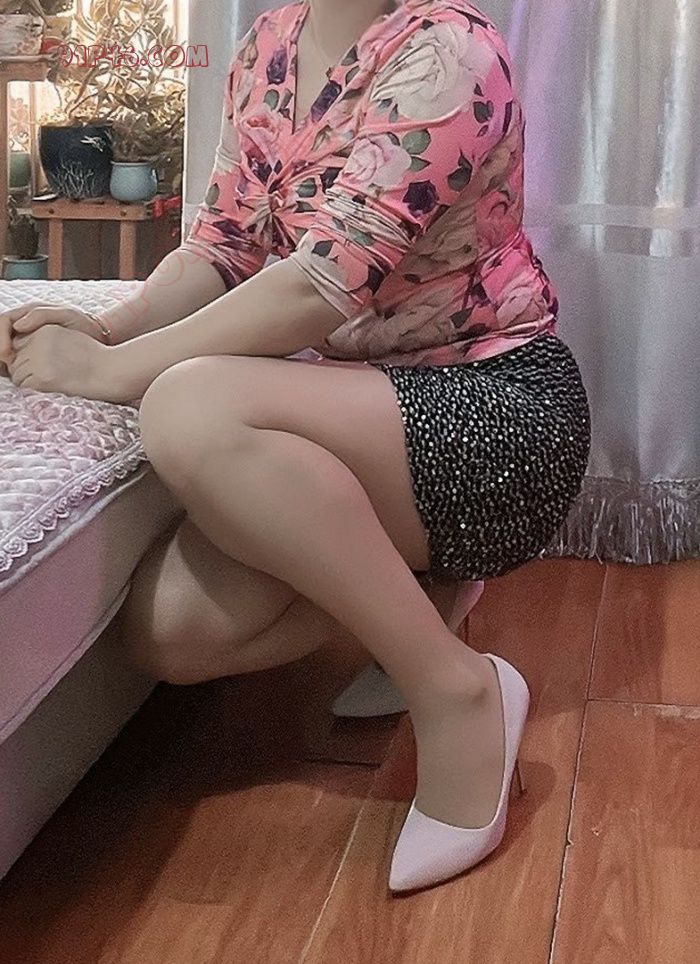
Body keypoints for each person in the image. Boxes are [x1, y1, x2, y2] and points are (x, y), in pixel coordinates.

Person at [0, 0, 591, 893]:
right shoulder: (268, 45)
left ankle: (457, 692)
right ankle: (426, 590)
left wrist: (112, 373)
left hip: (496, 408)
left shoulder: (451, 50)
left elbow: (323, 284)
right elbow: (223, 248)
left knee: (190, 405)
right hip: (364, 403)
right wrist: (112, 330)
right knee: (173, 636)